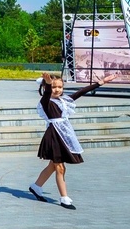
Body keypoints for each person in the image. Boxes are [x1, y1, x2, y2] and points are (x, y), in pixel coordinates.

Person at [30, 72, 118, 208]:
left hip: (64, 135)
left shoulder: (64, 100)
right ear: (46, 87)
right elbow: (47, 95)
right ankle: (64, 197)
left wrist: (101, 82)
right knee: (60, 167)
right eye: (54, 87)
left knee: (53, 165)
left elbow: (81, 92)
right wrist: (48, 85)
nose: (57, 89)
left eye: (60, 87)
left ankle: (36, 186)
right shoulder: (46, 102)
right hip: (54, 135)